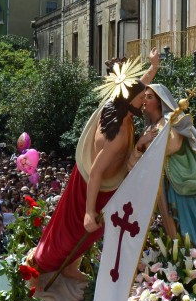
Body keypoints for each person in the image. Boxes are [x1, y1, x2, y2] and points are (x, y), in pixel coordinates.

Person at [30, 51, 159, 278]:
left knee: (88, 235)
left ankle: (70, 266)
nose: (144, 104)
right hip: (91, 188)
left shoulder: (117, 103)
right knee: (74, 231)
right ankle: (44, 267)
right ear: (129, 102)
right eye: (141, 100)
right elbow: (98, 171)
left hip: (103, 184)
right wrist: (89, 212)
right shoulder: (116, 134)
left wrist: (153, 68)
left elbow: (136, 86)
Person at [138, 83, 196, 260]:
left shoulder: (171, 119)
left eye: (149, 97)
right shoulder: (149, 128)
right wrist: (141, 142)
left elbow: (173, 146)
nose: (144, 101)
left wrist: (145, 145)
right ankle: (181, 259)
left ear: (160, 101)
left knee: (190, 220)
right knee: (171, 223)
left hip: (182, 179)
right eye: (144, 97)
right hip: (163, 183)